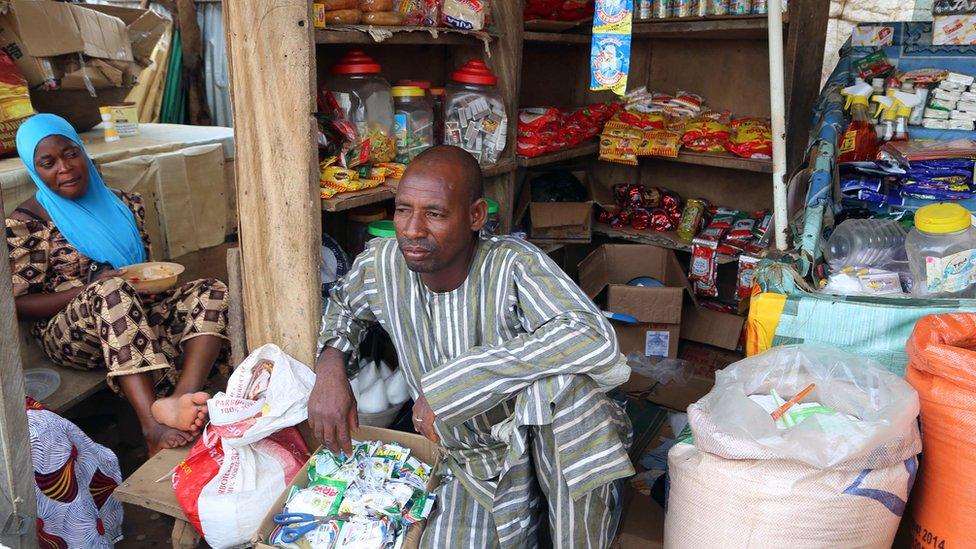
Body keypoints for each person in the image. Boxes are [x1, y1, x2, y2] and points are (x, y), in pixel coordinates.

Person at [309, 145, 634, 548]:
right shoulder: (382, 265)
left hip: (542, 449)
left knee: (569, 396)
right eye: (402, 209)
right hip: (466, 462)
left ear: (476, 216)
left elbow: (593, 337)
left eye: (435, 213)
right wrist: (330, 367)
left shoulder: (513, 265)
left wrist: (454, 385)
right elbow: (344, 306)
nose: (411, 229)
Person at [5, 114, 230, 455]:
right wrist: (88, 289)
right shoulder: (28, 224)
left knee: (211, 289)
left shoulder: (125, 204)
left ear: (83, 152)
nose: (64, 168)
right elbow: (18, 304)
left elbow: (142, 271)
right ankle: (151, 427)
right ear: (35, 170)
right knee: (111, 292)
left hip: (131, 312)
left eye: (71, 154)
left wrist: (155, 286)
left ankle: (181, 398)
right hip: (71, 335)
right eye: (48, 163)